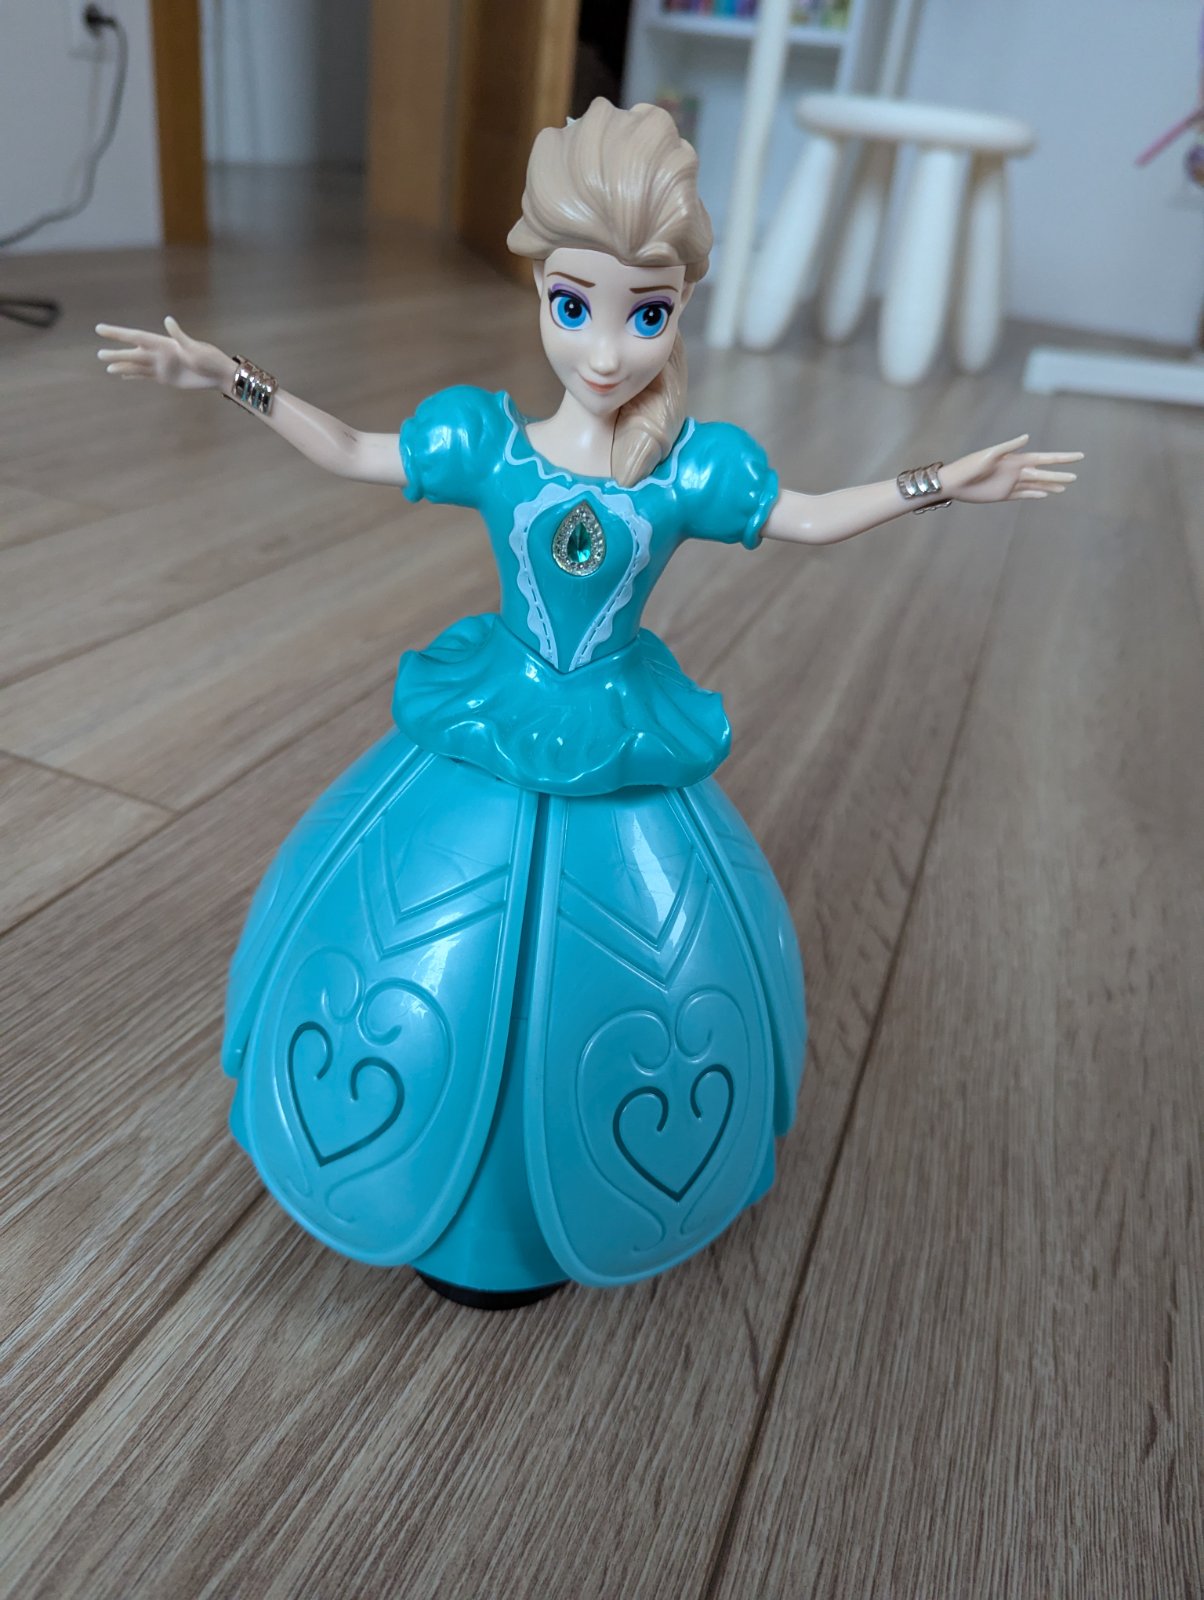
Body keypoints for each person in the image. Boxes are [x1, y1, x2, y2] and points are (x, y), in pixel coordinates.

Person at [96, 99, 1081, 1310]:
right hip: (491, 714)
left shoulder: (688, 469)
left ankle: (570, 1198)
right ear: (540, 292)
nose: (606, 352)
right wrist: (229, 378)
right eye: (575, 308)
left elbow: (813, 517)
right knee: (414, 947)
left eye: (644, 314)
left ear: (680, 309)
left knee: (621, 985)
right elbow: (351, 450)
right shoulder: (488, 444)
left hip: (615, 730)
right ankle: (412, 1177)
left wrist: (942, 482)